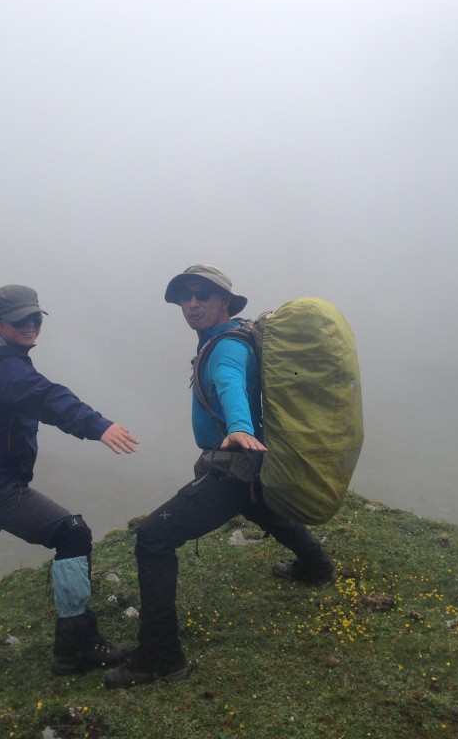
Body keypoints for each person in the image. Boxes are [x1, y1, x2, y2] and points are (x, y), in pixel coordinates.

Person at [104, 264, 334, 689]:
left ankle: (160, 658)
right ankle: (316, 567)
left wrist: (239, 428)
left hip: (233, 463)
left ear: (224, 302)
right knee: (262, 507)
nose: (193, 304)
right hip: (251, 464)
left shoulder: (225, 348)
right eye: (185, 297)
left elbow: (229, 384)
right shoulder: (229, 336)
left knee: (153, 537)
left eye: (202, 296)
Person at [0, 284, 139, 676]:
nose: (31, 326)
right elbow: (48, 397)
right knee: (72, 534)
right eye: (21, 321)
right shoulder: (5, 370)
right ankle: (75, 646)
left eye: (35, 318)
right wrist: (98, 426)